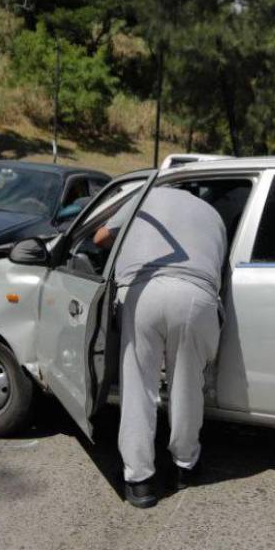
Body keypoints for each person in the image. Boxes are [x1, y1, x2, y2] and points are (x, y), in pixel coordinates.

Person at [93, 186, 227, 507]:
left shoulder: (144, 197)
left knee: (138, 385)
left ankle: (140, 481)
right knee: (187, 385)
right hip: (196, 296)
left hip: (144, 292)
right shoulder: (214, 215)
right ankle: (185, 465)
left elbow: (99, 238)